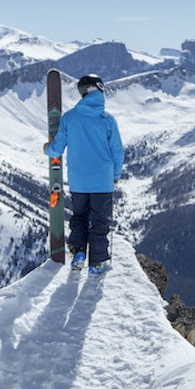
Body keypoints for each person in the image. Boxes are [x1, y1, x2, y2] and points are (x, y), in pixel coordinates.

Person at [44, 73, 124, 274]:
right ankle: (97, 264)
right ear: (99, 90)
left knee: (79, 217)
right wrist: (115, 174)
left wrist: (47, 149)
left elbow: (57, 149)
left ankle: (79, 252)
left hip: (79, 181)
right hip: (102, 181)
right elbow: (117, 151)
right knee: (99, 222)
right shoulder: (107, 119)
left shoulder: (70, 117)